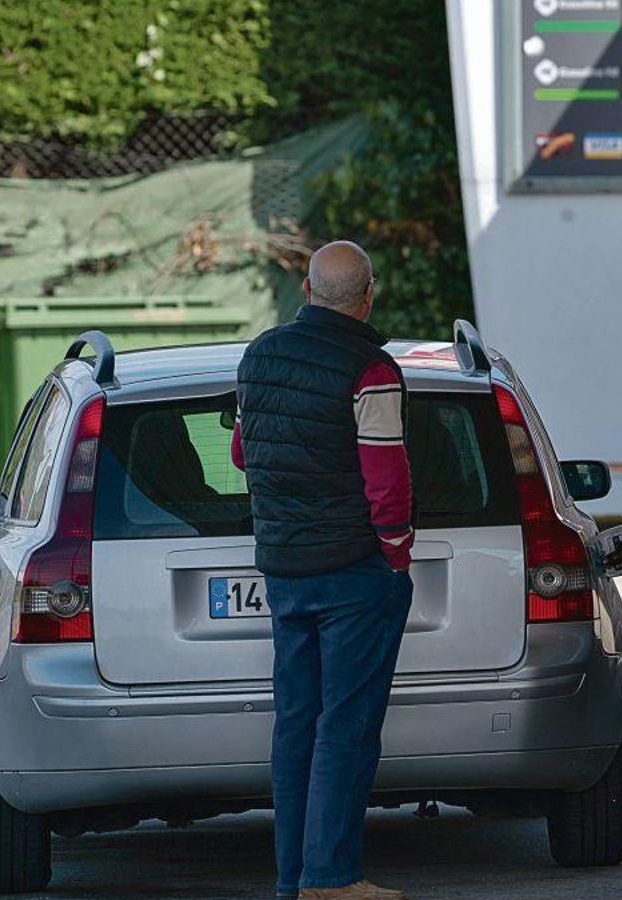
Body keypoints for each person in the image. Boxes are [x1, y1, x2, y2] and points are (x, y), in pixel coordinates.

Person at [233, 240, 415, 898]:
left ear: (306, 293)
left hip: (284, 570)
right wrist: (395, 553)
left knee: (296, 725)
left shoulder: (260, 355)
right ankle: (332, 879)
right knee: (347, 726)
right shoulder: (372, 369)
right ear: (370, 296)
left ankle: (294, 879)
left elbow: (242, 455)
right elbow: (386, 481)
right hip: (353, 572)